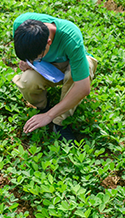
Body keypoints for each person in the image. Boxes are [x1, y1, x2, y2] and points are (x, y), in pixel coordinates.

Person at [11, 12, 98, 141]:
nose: (31, 60)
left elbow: (83, 87)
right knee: (27, 81)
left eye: (35, 58)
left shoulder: (70, 37)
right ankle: (43, 107)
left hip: (70, 65)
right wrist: (27, 62)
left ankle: (60, 122)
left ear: (49, 42)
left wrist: (50, 116)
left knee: (85, 67)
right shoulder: (21, 25)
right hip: (47, 67)